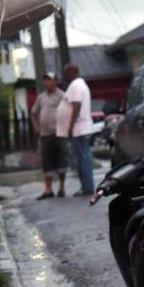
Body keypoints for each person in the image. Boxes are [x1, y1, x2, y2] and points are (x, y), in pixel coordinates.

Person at [56, 63, 95, 198]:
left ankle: (87, 187)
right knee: (83, 157)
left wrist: (71, 126)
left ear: (72, 72)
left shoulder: (76, 85)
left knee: (82, 158)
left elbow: (77, 105)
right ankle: (86, 186)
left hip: (79, 128)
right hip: (81, 127)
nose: (64, 76)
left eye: (66, 73)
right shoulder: (80, 84)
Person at [31, 73, 68, 199]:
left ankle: (62, 187)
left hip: (59, 133)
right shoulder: (41, 97)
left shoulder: (62, 96)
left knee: (61, 160)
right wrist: (36, 127)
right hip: (45, 134)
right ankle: (48, 189)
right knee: (47, 162)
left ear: (56, 81)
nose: (47, 82)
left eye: (49, 80)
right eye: (45, 80)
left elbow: (69, 110)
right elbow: (34, 112)